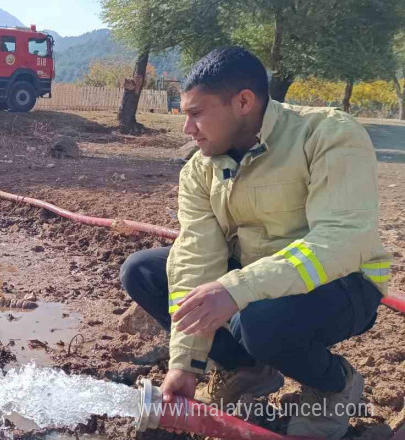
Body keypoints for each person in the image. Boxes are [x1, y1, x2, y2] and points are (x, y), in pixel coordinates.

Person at [120, 47, 391, 439]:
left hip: (344, 285)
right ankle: (247, 370)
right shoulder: (200, 169)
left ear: (243, 101)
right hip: (257, 289)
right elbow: (197, 258)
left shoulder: (328, 134)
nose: (187, 129)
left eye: (197, 114)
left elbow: (340, 242)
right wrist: (185, 363)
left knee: (258, 320)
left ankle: (335, 386)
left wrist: (237, 289)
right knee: (143, 271)